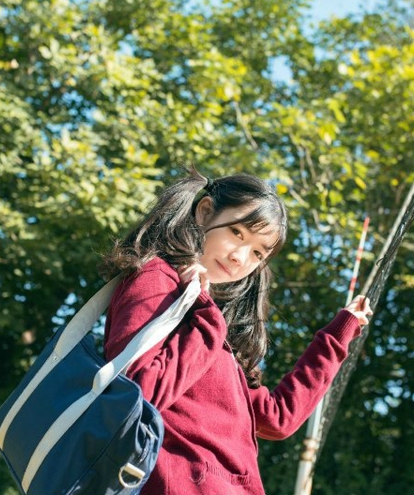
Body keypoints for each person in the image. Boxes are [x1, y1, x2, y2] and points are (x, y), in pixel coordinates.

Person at [101, 169, 373, 495]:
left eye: (258, 253)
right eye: (237, 232)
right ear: (204, 212)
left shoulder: (208, 326)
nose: (240, 257)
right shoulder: (158, 278)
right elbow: (138, 392)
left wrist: (338, 334)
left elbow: (277, 418)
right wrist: (207, 317)